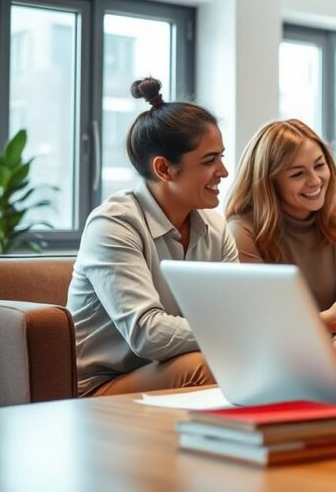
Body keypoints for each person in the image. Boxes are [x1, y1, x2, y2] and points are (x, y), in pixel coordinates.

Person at [68, 77, 236, 397]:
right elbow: (148, 334)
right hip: (103, 384)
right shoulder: (113, 224)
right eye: (209, 160)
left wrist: (241, 329)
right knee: (207, 365)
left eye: (221, 157)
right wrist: (240, 330)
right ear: (164, 169)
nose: (224, 172)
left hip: (174, 364)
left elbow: (235, 313)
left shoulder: (216, 227)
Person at [225, 119, 336, 372]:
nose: (315, 180)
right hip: (275, 354)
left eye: (320, 165)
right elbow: (261, 326)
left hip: (335, 345)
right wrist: (329, 322)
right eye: (298, 174)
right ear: (269, 182)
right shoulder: (242, 230)